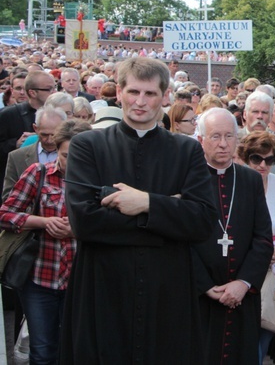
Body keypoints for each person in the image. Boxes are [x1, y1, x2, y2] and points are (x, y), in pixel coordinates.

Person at [60, 57, 217, 364]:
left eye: (150, 94)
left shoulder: (187, 150)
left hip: (167, 292)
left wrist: (145, 203)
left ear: (165, 96)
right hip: (102, 288)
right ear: (118, 93)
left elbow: (202, 222)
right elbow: (84, 222)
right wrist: (168, 212)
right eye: (133, 92)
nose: (140, 102)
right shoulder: (86, 146)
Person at [0, 118, 91, 364]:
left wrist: (78, 229)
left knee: (75, 348)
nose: (70, 162)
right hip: (40, 277)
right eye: (64, 155)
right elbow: (5, 214)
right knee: (42, 350)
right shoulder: (39, 173)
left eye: (78, 155)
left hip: (82, 280)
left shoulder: (98, 179)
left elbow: (115, 226)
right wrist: (42, 222)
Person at [192, 108, 274, 365]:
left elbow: (263, 238)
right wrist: (205, 285)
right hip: (198, 295)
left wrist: (244, 283)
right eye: (215, 136)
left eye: (229, 136)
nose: (224, 144)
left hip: (242, 297)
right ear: (201, 140)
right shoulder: (187, 179)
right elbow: (178, 240)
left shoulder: (250, 179)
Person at [236, 130, 275, 362]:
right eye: (256, 158)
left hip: (274, 265)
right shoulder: (234, 183)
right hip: (240, 263)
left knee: (267, 326)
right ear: (245, 157)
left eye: (270, 160)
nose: (263, 165)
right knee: (242, 329)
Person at [3, 106, 66, 201]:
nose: (49, 140)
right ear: (35, 128)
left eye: (54, 135)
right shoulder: (16, 157)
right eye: (44, 135)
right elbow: (8, 198)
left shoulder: (73, 156)